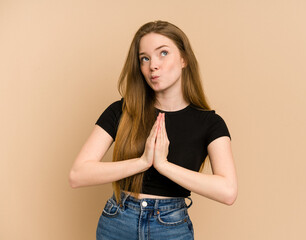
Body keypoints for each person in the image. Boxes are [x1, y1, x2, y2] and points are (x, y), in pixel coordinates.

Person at [69, 20, 237, 240]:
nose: (153, 65)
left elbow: (228, 191)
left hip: (171, 226)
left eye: (163, 53)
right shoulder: (122, 111)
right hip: (117, 222)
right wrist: (142, 161)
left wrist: (164, 166)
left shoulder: (210, 123)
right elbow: (78, 175)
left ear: (184, 59)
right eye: (144, 59)